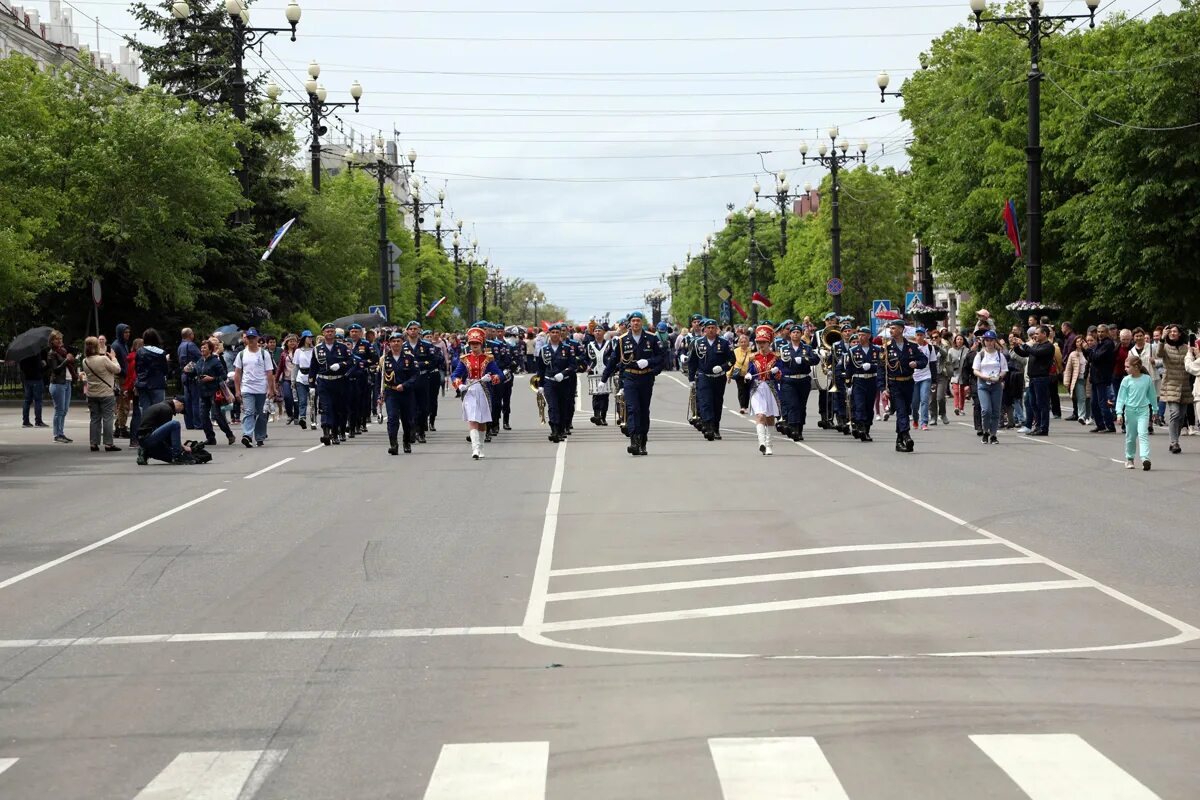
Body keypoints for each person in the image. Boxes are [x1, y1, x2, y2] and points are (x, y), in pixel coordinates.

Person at [601, 311, 664, 456]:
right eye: (633, 321)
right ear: (630, 323)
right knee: (632, 409)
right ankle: (634, 441)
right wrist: (604, 379)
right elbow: (613, 360)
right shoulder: (623, 340)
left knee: (643, 410)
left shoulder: (652, 338)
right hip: (630, 378)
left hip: (646, 377)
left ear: (642, 322)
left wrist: (649, 362)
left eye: (638, 320)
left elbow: (661, 356)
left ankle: (643, 441)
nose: (636, 323)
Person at [452, 327, 505, 459]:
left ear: (481, 344)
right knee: (473, 418)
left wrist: (491, 378)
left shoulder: (488, 359)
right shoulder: (465, 359)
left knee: (482, 421)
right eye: (472, 343)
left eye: (476, 343)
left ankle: (480, 447)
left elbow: (499, 374)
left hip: (484, 390)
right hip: (470, 390)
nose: (474, 346)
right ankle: (475, 448)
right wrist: (460, 384)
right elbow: (455, 375)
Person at [883, 319, 927, 453]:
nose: (891, 330)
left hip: (908, 382)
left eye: (894, 328)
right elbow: (881, 369)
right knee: (901, 411)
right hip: (894, 383)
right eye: (890, 328)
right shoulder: (887, 347)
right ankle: (906, 436)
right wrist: (883, 388)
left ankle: (899, 440)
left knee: (906, 410)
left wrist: (916, 364)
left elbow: (923, 360)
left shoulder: (912, 346)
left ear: (901, 329)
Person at [688, 318, 735, 441]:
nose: (711, 330)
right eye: (708, 328)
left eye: (713, 327)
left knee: (717, 403)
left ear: (717, 329)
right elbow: (692, 362)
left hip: (719, 378)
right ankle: (708, 427)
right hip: (704, 377)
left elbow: (732, 360)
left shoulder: (724, 343)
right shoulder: (698, 343)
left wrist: (723, 367)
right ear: (704, 330)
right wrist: (691, 378)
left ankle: (716, 427)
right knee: (705, 402)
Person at [776, 322, 820, 441]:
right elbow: (780, 362)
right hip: (789, 380)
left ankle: (799, 428)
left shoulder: (807, 348)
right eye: (793, 332)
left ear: (801, 334)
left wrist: (804, 359)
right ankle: (793, 427)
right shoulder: (784, 348)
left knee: (801, 405)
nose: (795, 334)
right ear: (790, 335)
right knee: (792, 404)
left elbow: (816, 359)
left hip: (803, 380)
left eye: (798, 332)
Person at [233, 328, 277, 448]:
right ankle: (247, 435)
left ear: (258, 338)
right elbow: (237, 373)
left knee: (262, 414)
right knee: (249, 412)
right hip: (247, 388)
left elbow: (269, 373)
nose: (251, 340)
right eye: (249, 338)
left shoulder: (264, 354)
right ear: (246, 339)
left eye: (254, 338)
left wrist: (271, 389)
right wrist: (237, 390)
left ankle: (260, 437)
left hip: (261, 389)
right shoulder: (241, 354)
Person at [381, 331, 422, 455]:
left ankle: (406, 441)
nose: (396, 343)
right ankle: (393, 444)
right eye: (393, 341)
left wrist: (405, 385)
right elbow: (381, 378)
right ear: (389, 343)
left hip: (406, 393)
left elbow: (416, 375)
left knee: (407, 419)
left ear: (402, 342)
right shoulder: (384, 358)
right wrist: (380, 395)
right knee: (392, 418)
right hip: (391, 392)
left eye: (398, 341)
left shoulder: (409, 358)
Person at [1115, 354, 1157, 471]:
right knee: (1131, 437)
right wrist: (1119, 413)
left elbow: (1152, 395)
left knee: (1143, 434)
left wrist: (1155, 409)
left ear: (1137, 367)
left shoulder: (1147, 379)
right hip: (1130, 411)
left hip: (1143, 411)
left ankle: (1145, 459)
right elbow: (1121, 398)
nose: (1125, 369)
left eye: (1127, 367)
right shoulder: (1126, 380)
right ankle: (1130, 459)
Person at [310, 323, 351, 445]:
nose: (329, 333)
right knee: (326, 407)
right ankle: (326, 432)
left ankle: (335, 432)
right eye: (327, 331)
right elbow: (313, 367)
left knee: (338, 408)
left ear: (335, 333)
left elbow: (350, 361)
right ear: (323, 333)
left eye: (331, 331)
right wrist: (311, 384)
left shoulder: (342, 347)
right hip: (324, 381)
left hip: (339, 381)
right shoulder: (317, 349)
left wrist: (340, 365)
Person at [536, 324, 577, 443]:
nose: (555, 334)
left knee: (563, 407)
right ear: (549, 334)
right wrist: (541, 385)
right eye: (552, 332)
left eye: (557, 332)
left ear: (560, 334)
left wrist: (563, 374)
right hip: (550, 382)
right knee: (553, 407)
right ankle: (554, 430)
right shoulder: (544, 349)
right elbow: (541, 369)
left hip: (564, 382)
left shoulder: (567, 348)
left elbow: (573, 365)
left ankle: (561, 430)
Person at [745, 324, 782, 455]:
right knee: (760, 415)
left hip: (770, 388)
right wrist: (748, 376)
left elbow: (780, 375)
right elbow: (749, 373)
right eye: (759, 342)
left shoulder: (776, 357)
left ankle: (769, 444)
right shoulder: (753, 357)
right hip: (757, 388)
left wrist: (777, 372)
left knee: (770, 417)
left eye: (763, 342)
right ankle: (761, 443)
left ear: (769, 342)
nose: (761, 345)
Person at [81, 336, 122, 452]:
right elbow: (117, 370)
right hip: (106, 393)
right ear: (97, 346)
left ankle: (93, 443)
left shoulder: (85, 361)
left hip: (92, 394)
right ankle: (109, 444)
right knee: (108, 418)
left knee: (94, 418)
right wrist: (113, 358)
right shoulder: (103, 359)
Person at [1158, 323, 1193, 455]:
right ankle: (1174, 442)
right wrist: (1162, 338)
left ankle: (1175, 440)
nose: (1173, 333)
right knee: (1175, 413)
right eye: (1170, 331)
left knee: (1182, 416)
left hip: (1184, 384)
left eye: (1175, 331)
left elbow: (1191, 361)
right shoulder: (1165, 346)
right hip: (1170, 384)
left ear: (1179, 334)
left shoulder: (1185, 348)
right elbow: (1159, 353)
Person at [1013, 325, 1054, 436]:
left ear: (1044, 334)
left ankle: (1043, 428)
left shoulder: (1048, 346)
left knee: (1042, 404)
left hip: (1041, 378)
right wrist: (1016, 346)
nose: (1035, 336)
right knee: (1033, 404)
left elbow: (1036, 353)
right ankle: (1037, 426)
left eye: (1037, 333)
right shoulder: (1036, 345)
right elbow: (1024, 353)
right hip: (1032, 379)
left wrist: (1023, 344)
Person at [845, 327, 883, 442]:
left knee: (868, 407)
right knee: (859, 405)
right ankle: (861, 428)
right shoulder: (853, 351)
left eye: (863, 335)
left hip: (871, 381)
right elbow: (849, 368)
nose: (860, 337)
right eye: (859, 335)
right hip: (858, 380)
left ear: (869, 336)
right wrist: (848, 384)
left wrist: (871, 366)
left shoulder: (877, 350)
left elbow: (882, 366)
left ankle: (866, 429)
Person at [196, 339, 235, 446]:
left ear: (210, 349)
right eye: (202, 347)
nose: (202, 349)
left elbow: (223, 376)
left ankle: (229, 434)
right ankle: (210, 438)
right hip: (202, 392)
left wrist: (211, 378)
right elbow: (195, 373)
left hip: (214, 391)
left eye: (205, 347)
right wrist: (188, 371)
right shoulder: (199, 361)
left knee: (217, 415)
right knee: (203, 416)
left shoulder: (215, 361)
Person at [973, 330, 1008, 445]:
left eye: (991, 340)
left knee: (996, 411)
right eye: (986, 340)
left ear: (994, 341)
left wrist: (999, 377)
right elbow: (976, 370)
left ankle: (993, 434)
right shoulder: (980, 354)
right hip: (983, 384)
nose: (988, 342)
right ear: (984, 341)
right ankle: (985, 431)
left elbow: (1004, 370)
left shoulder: (999, 355)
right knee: (986, 410)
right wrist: (984, 376)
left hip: (996, 385)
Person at [136, 397, 195, 465]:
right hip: (148, 439)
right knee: (175, 424)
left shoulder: (161, 406)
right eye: (182, 411)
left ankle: (147, 452)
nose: (179, 413)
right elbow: (167, 437)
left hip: (144, 439)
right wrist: (182, 447)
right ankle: (177, 456)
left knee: (170, 457)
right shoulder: (166, 409)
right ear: (181, 404)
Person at [134, 329, 170, 436]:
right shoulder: (161, 352)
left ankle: (145, 433)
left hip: (143, 384)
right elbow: (165, 370)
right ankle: (157, 433)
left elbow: (137, 368)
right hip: (157, 384)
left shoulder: (140, 351)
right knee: (159, 409)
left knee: (145, 409)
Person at [45, 330, 77, 443]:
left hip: (67, 382)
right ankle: (56, 435)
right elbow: (55, 369)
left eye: (60, 339)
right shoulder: (51, 353)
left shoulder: (63, 351)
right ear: (52, 341)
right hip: (58, 383)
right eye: (57, 339)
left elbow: (70, 366)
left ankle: (61, 433)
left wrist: (70, 360)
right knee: (59, 410)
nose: (59, 341)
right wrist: (66, 361)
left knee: (64, 410)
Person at [1085, 325, 1117, 433]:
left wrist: (1089, 350)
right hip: (1095, 377)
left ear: (1107, 332)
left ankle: (1110, 426)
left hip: (1102, 377)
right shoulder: (1099, 343)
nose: (1100, 334)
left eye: (1102, 332)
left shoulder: (1108, 344)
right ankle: (1100, 424)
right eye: (1098, 332)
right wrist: (1090, 352)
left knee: (1102, 402)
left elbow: (1097, 357)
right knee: (1094, 403)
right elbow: (1091, 357)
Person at [177, 328, 203, 430]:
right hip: (193, 375)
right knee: (196, 400)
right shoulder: (191, 345)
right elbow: (200, 357)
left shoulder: (180, 346)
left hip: (184, 375)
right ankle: (198, 423)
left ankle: (189, 424)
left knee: (187, 400)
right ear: (190, 335)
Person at [588, 327, 614, 426]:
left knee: (604, 395)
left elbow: (613, 356)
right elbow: (584, 357)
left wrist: (611, 367)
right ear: (593, 333)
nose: (597, 332)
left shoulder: (609, 344)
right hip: (594, 373)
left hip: (605, 372)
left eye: (599, 331)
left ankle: (603, 417)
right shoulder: (589, 345)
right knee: (595, 395)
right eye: (596, 331)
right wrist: (586, 365)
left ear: (603, 332)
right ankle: (597, 416)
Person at [910, 327, 936, 430]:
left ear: (924, 336)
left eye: (921, 335)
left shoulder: (930, 348)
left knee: (924, 400)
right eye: (917, 335)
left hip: (926, 376)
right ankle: (916, 419)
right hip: (914, 377)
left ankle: (924, 422)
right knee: (915, 402)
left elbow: (933, 364)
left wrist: (934, 380)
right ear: (915, 336)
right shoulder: (911, 347)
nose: (919, 337)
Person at [1063, 335, 1090, 425]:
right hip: (1078, 379)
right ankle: (1081, 416)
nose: (1079, 343)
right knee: (1081, 398)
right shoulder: (1073, 354)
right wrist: (1066, 381)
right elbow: (1068, 369)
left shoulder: (1088, 352)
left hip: (1088, 379)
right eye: (1077, 341)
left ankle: (1088, 416)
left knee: (1088, 398)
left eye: (1081, 341)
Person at [111, 323, 132, 438]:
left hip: (125, 376)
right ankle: (121, 428)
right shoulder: (116, 345)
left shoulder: (124, 345)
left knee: (124, 404)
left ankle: (119, 426)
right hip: (120, 377)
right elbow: (116, 363)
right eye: (125, 332)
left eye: (128, 332)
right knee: (123, 404)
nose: (128, 334)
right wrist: (124, 372)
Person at [18, 348, 47, 429]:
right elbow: (39, 368)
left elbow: (22, 367)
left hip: (27, 379)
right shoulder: (36, 353)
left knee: (27, 401)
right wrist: (43, 365)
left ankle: (25, 421)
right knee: (38, 400)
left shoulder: (23, 354)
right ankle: (38, 421)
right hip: (37, 379)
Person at [292, 331, 314, 429]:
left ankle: (313, 421)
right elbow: (295, 366)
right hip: (300, 377)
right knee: (302, 400)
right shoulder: (298, 351)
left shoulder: (315, 350)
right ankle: (303, 418)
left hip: (312, 377)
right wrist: (293, 380)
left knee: (313, 401)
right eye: (308, 337)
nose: (310, 339)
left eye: (311, 337)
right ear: (304, 338)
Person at [276, 334, 299, 425]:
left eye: (294, 341)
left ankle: (297, 417)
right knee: (287, 397)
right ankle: (290, 415)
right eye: (290, 341)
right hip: (286, 379)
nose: (292, 343)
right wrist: (276, 380)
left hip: (297, 379)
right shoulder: (283, 354)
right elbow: (280, 368)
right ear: (286, 343)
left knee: (296, 399)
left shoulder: (298, 352)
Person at [947, 333, 969, 416]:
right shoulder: (951, 350)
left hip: (963, 373)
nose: (959, 341)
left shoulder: (966, 350)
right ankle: (956, 407)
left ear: (963, 341)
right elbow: (948, 362)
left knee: (962, 392)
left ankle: (961, 408)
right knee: (956, 391)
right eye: (957, 339)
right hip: (954, 373)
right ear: (955, 341)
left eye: (961, 339)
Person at [730, 332, 753, 414]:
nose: (743, 343)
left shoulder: (751, 351)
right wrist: (729, 375)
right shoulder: (735, 351)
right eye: (741, 342)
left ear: (748, 342)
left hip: (749, 374)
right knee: (741, 390)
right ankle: (742, 406)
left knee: (748, 390)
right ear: (739, 343)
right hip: (739, 374)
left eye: (745, 342)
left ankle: (747, 406)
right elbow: (732, 363)